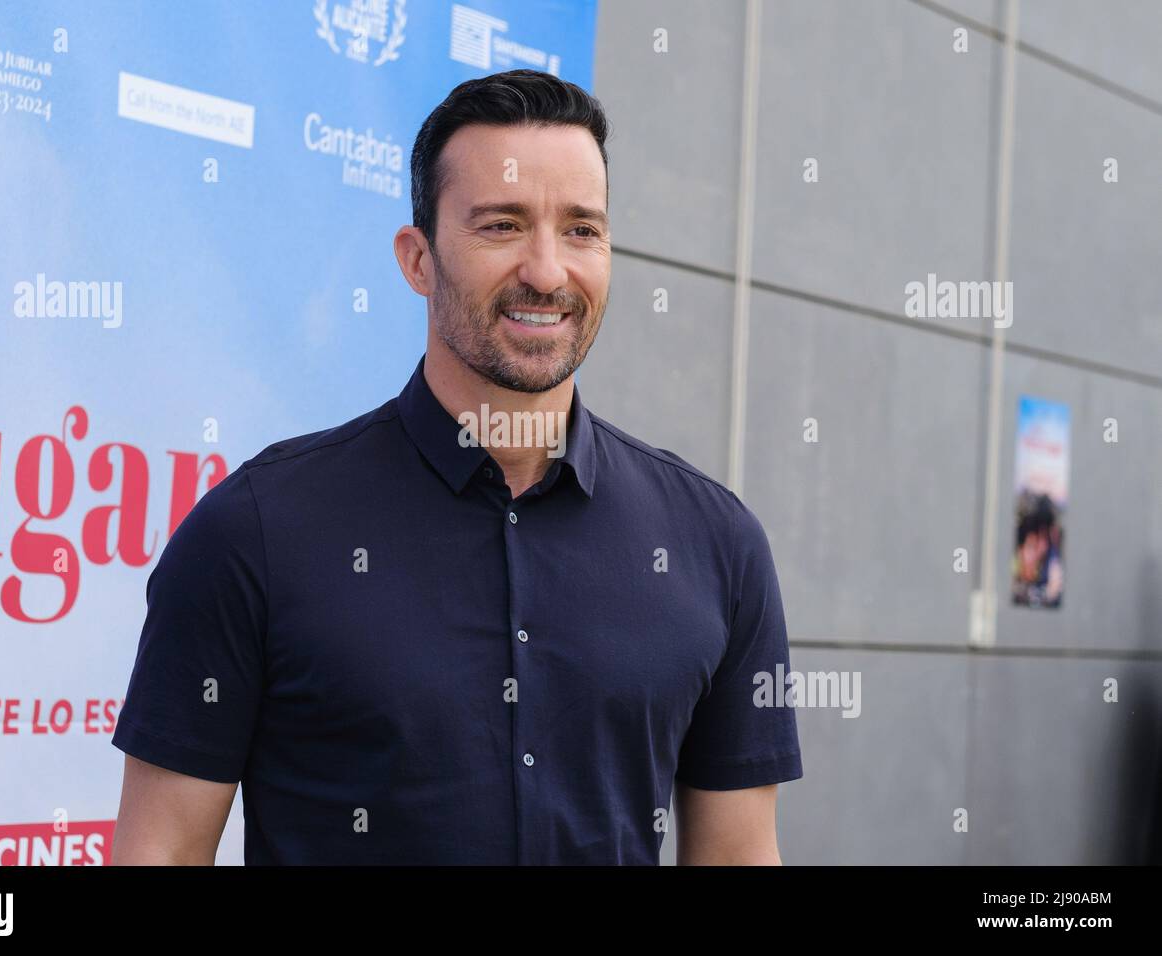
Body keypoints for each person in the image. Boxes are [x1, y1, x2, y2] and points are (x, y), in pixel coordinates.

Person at [110, 69, 802, 865]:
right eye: (502, 226)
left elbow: (739, 856)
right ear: (418, 260)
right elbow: (158, 852)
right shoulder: (255, 531)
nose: (548, 271)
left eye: (582, 230)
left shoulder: (717, 543)